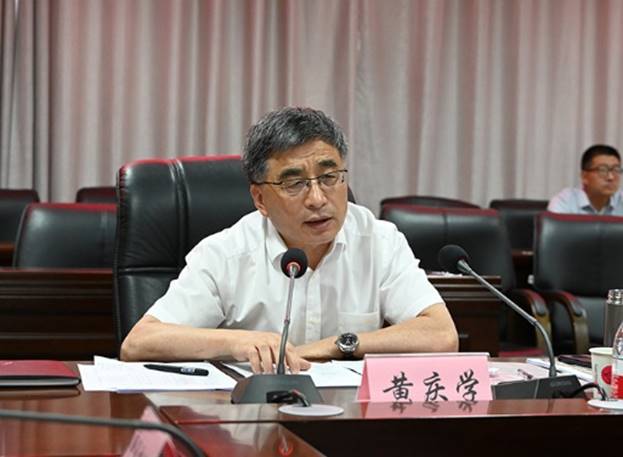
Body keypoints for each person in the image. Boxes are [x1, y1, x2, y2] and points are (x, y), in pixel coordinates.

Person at [120, 107, 459, 373]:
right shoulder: (227, 253)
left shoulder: (379, 241)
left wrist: (336, 345)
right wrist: (239, 343)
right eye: (294, 184)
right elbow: (139, 343)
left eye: (329, 177)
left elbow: (441, 336)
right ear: (260, 199)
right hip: (249, 422)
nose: (317, 199)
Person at [548, 144, 623, 215]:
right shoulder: (565, 201)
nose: (611, 177)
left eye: (616, 170)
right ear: (584, 176)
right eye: (602, 170)